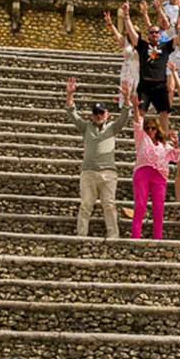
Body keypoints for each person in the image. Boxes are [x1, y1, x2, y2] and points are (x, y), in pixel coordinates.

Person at [65, 76, 130, 240]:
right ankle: (81, 235)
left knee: (109, 205)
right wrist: (70, 95)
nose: (99, 115)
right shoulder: (86, 127)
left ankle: (113, 236)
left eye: (101, 112)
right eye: (96, 112)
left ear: (107, 114)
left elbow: (125, 116)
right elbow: (72, 114)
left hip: (108, 173)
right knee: (86, 204)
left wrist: (127, 98)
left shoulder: (112, 127)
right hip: (88, 172)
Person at [129, 100, 180, 240]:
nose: (150, 131)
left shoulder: (164, 145)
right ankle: (135, 237)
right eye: (148, 128)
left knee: (158, 208)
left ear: (157, 129)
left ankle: (157, 238)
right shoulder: (141, 138)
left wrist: (176, 144)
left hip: (160, 176)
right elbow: (137, 122)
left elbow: (176, 158)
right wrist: (135, 107)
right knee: (140, 205)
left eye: (153, 128)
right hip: (142, 173)